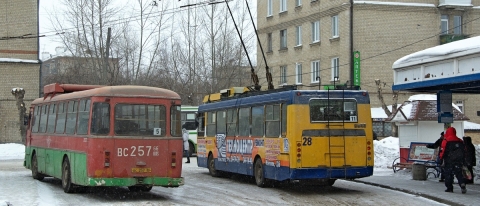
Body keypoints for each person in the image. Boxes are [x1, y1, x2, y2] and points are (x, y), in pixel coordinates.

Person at [439, 127, 466, 193]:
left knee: (448, 174)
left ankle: (449, 187)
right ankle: (462, 183)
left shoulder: (446, 141)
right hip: (458, 160)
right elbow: (464, 150)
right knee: (459, 173)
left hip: (449, 160)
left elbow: (442, 151)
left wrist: (441, 159)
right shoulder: (460, 141)